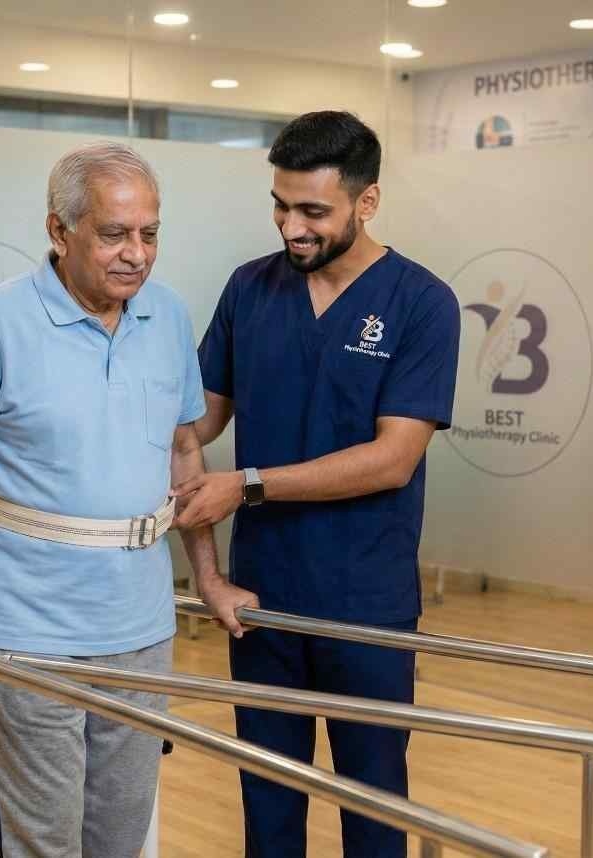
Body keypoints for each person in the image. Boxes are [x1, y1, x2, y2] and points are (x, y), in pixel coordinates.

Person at [0, 140, 253, 858]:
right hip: (32, 634)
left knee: (119, 842)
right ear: (59, 232)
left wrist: (210, 577)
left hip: (142, 627)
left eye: (149, 234)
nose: (136, 254)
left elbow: (183, 450)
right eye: (113, 233)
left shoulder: (167, 317)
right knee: (46, 846)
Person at [175, 111, 461, 857]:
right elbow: (194, 423)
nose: (290, 227)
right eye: (280, 205)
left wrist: (246, 485)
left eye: (312, 211)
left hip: (364, 604)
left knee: (372, 813)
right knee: (267, 812)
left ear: (366, 203)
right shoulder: (250, 290)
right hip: (262, 601)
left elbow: (392, 457)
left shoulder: (421, 303)